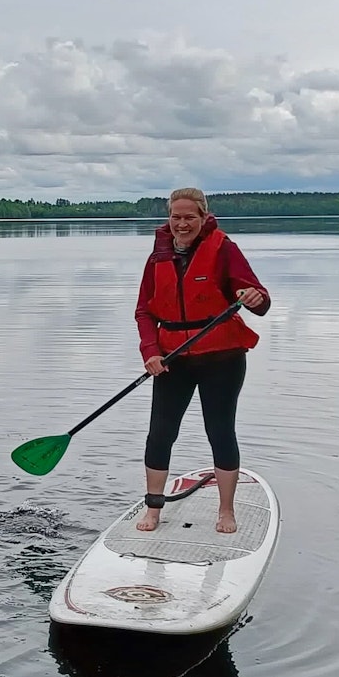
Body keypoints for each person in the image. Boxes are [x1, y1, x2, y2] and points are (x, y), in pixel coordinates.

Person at [133, 187, 270, 534]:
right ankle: (153, 510)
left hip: (221, 358)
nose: (182, 224)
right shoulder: (158, 258)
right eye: (176, 217)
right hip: (172, 360)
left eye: (189, 217)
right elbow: (144, 312)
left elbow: (260, 300)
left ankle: (226, 512)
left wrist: (252, 297)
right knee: (160, 434)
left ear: (204, 218)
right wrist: (151, 350)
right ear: (169, 218)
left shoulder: (224, 249)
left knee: (220, 431)